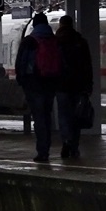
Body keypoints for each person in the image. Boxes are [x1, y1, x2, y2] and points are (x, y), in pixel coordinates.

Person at [14, 12, 60, 162]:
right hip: (51, 83)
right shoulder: (54, 40)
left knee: (39, 117)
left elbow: (21, 63)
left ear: (34, 25)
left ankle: (43, 151)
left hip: (34, 85)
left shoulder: (30, 41)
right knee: (47, 116)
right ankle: (47, 146)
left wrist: (22, 81)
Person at [55, 14, 93, 159]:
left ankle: (66, 140)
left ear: (60, 24)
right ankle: (74, 145)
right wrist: (89, 85)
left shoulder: (56, 41)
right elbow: (88, 66)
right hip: (79, 85)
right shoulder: (81, 42)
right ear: (72, 24)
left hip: (61, 85)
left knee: (64, 115)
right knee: (77, 116)